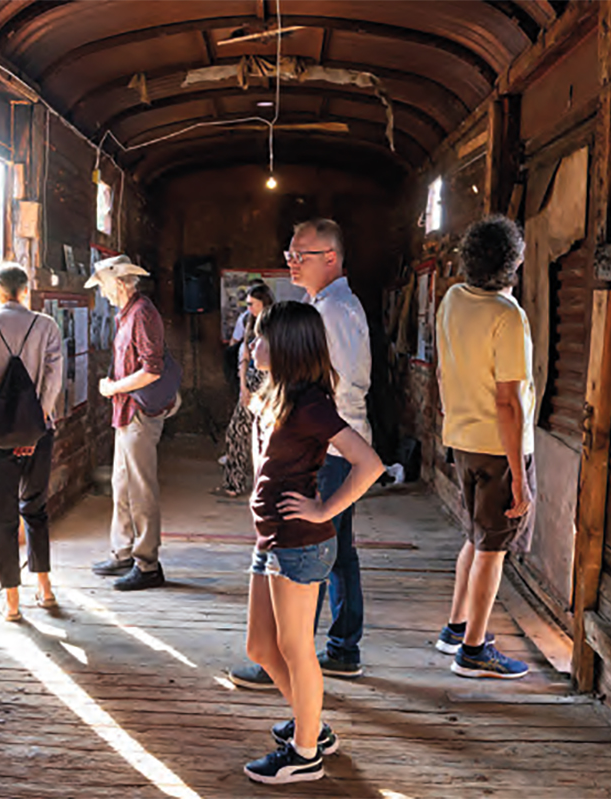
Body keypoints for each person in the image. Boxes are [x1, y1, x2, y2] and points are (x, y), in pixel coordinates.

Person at [242, 301, 383, 784]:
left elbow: (369, 464)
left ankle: (304, 754)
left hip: (299, 543)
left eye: (261, 337)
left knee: (295, 647)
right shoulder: (280, 395)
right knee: (261, 647)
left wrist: (324, 510)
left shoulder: (311, 405)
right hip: (271, 539)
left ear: (286, 346)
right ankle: (313, 727)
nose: (253, 344)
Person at [230, 219, 373, 688]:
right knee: (336, 549)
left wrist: (301, 420)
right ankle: (333, 649)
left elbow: (339, 386)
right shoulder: (324, 306)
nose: (291, 262)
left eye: (301, 254)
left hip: (328, 443)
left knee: (312, 543)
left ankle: (297, 655)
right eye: (289, 254)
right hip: (324, 437)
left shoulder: (333, 312)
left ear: (330, 257)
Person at [434, 215, 535, 679]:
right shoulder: (507, 317)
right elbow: (508, 402)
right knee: (492, 549)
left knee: (476, 538)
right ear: (513, 263)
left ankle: (456, 628)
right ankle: (473, 651)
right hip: (498, 448)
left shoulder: (453, 299)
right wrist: (520, 477)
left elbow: (443, 372)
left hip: (462, 440)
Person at [0, 263, 63, 621]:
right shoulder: (47, 326)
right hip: (40, 431)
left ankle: (13, 603)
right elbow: (53, 382)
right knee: (35, 510)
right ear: (25, 290)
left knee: (2, 518)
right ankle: (45, 589)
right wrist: (34, 428)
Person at [87, 254, 179, 591]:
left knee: (140, 490)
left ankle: (147, 564)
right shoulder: (126, 314)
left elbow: (152, 370)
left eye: (104, 286)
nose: (102, 293)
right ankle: (123, 553)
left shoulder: (142, 313)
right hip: (126, 411)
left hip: (138, 412)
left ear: (120, 283)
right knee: (122, 484)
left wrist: (113, 388)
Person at [214, 283, 275, 497]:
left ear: (263, 303)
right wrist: (243, 386)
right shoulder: (248, 321)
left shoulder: (274, 324)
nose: (248, 308)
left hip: (268, 381)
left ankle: (265, 486)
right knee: (236, 431)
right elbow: (244, 357)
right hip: (250, 379)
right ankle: (234, 483)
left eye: (252, 304)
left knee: (266, 437)